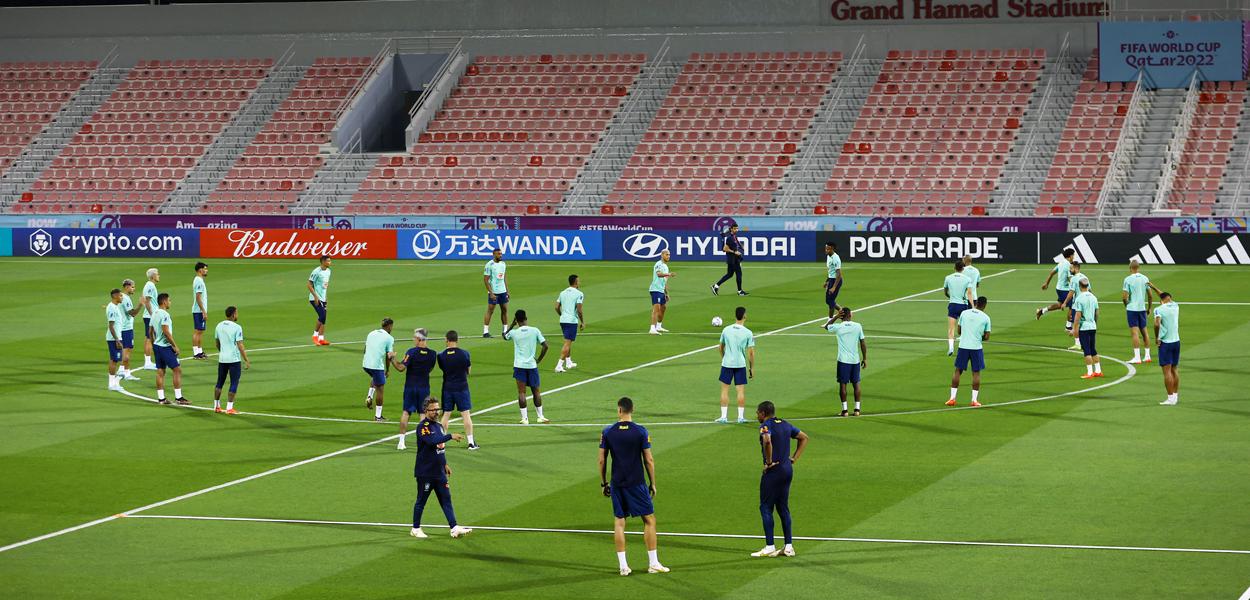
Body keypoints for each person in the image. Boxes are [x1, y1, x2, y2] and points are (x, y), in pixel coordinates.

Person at [598, 396, 668, 576]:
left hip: (617, 483)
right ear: (632, 410)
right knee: (649, 520)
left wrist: (604, 482)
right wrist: (653, 483)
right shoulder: (641, 431)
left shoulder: (608, 432)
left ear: (619, 410)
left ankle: (623, 566)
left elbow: (601, 460)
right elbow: (649, 460)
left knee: (619, 522)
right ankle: (653, 563)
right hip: (636, 483)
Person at [409, 398, 473, 540]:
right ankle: (415, 528)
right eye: (433, 410)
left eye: (438, 409)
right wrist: (450, 436)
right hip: (425, 472)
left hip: (439, 471)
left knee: (446, 499)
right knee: (421, 500)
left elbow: (440, 448)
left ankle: (454, 527)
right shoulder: (423, 427)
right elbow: (432, 442)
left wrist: (445, 464)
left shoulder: (438, 426)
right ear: (426, 410)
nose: (437, 412)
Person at [752, 401, 808, 558]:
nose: (757, 415)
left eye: (757, 412)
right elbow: (804, 438)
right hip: (787, 470)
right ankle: (788, 547)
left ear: (763, 413)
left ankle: (770, 546)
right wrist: (794, 459)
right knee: (783, 507)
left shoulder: (766, 426)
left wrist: (768, 463)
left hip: (773, 471)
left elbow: (767, 440)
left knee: (765, 507)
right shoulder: (785, 424)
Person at [394, 328, 437, 450]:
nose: (413, 339)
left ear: (419, 339)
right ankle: (422, 442)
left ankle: (401, 442)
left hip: (410, 387)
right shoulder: (433, 354)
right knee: (423, 415)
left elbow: (401, 367)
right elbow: (430, 369)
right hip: (424, 388)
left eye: (414, 337)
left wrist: (392, 359)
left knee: (406, 413)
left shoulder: (411, 352)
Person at [504, 310, 549, 424]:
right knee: (536, 392)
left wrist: (511, 326)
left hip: (519, 366)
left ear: (516, 320)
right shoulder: (535, 330)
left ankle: (524, 419)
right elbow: (545, 346)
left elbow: (504, 336)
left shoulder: (514, 332)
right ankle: (540, 416)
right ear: (526, 318)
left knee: (522, 393)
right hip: (532, 366)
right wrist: (539, 359)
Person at [437, 330, 477, 450]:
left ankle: (441, 443)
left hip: (448, 387)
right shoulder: (465, 354)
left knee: (446, 415)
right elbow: (468, 371)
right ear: (457, 340)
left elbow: (443, 369)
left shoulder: (441, 355)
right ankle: (471, 443)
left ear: (447, 340)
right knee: (466, 415)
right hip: (462, 387)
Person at [947, 296, 991, 407]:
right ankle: (974, 400)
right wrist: (979, 336)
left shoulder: (964, 313)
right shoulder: (986, 318)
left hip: (963, 346)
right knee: (976, 373)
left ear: (976, 303)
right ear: (984, 305)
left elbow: (959, 331)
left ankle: (952, 398)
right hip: (976, 348)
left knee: (958, 371)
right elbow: (987, 337)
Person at [716, 306, 755, 424]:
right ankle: (740, 417)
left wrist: (724, 358)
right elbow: (751, 352)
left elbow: (720, 347)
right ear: (745, 316)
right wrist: (752, 367)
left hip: (727, 364)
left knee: (724, 390)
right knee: (740, 391)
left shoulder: (726, 330)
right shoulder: (748, 332)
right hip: (740, 364)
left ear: (735, 316)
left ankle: (723, 417)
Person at [824, 307, 866, 416]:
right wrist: (865, 358)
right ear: (850, 315)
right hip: (855, 360)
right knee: (856, 384)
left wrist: (836, 317)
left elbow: (827, 327)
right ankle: (857, 410)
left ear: (841, 316)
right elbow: (862, 343)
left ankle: (845, 411)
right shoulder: (858, 326)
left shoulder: (838, 327)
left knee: (843, 385)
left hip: (843, 360)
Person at [149, 293, 187, 406]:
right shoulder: (165, 314)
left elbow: (150, 331)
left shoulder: (154, 313)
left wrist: (153, 343)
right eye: (169, 300)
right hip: (165, 347)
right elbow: (166, 331)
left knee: (160, 371)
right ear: (164, 302)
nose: (170, 302)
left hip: (157, 346)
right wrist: (174, 345)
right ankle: (179, 397)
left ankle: (161, 399)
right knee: (177, 370)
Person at [1122, 259, 1161, 364]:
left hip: (1132, 309)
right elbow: (1150, 295)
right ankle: (1147, 356)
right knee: (1145, 332)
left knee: (1135, 333)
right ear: (1138, 268)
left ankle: (1137, 357)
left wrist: (1127, 305)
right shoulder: (1145, 278)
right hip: (1142, 309)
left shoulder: (1128, 279)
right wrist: (1149, 308)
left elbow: (1124, 297)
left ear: (1130, 268)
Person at [213, 306, 250, 415]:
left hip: (222, 359)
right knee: (234, 382)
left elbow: (217, 343)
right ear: (233, 314)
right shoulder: (237, 327)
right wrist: (246, 360)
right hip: (234, 359)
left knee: (220, 382)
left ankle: (216, 406)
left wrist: (222, 352)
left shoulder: (219, 326)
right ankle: (229, 408)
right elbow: (240, 345)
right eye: (237, 313)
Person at [362, 318, 396, 422]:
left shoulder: (371, 333)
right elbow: (388, 356)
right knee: (380, 389)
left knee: (375, 377)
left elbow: (365, 349)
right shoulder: (389, 338)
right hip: (376, 366)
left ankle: (369, 395)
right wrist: (388, 369)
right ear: (389, 326)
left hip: (366, 364)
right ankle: (378, 416)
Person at [1070, 278, 1102, 379]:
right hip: (1093, 326)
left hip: (1084, 328)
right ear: (1088, 286)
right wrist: (1094, 323)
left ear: (1079, 286)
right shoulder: (1094, 297)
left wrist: (1074, 329)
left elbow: (1078, 316)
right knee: (1093, 349)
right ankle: (1098, 370)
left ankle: (1089, 373)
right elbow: (1097, 313)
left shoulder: (1079, 298)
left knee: (1086, 350)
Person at [1154, 292, 1181, 405]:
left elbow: (1156, 324)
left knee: (1167, 372)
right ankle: (1175, 396)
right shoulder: (1176, 306)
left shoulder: (1158, 309)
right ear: (1170, 298)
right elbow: (1163, 294)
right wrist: (1154, 287)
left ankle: (1170, 398)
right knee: (1174, 369)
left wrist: (1157, 337)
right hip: (1176, 342)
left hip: (1165, 343)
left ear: (1161, 300)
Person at [554, 274, 585, 373]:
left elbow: (556, 307)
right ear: (576, 282)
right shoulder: (579, 294)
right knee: (567, 343)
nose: (579, 282)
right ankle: (559, 365)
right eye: (578, 281)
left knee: (568, 341)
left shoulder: (563, 292)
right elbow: (579, 310)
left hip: (563, 320)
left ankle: (568, 362)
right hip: (571, 321)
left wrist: (561, 315)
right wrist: (582, 322)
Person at [943, 260, 975, 356]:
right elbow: (969, 293)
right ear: (963, 268)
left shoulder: (948, 278)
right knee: (964, 329)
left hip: (953, 305)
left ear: (954, 268)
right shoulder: (967, 279)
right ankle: (963, 348)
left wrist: (949, 296)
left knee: (951, 329)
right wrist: (973, 306)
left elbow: (945, 291)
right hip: (963, 306)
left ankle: (951, 347)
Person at [1036, 247, 1075, 323]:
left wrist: (1046, 283)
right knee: (1072, 306)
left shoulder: (1061, 263)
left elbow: (1052, 273)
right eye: (1073, 255)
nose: (1074, 257)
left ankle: (1041, 311)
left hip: (1058, 288)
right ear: (1070, 256)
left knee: (1060, 305)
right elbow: (1070, 279)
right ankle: (1069, 327)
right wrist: (1075, 287)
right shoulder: (1068, 265)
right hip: (1065, 289)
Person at [117, 278, 143, 382]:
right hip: (126, 329)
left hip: (121, 328)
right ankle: (127, 373)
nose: (134, 289)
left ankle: (121, 369)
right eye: (132, 287)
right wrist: (141, 304)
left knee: (127, 350)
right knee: (127, 352)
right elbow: (132, 313)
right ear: (127, 287)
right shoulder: (126, 298)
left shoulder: (120, 297)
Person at [711, 223, 748, 296]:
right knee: (738, 274)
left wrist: (741, 246)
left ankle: (715, 286)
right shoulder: (729, 238)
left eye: (737, 228)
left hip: (734, 259)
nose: (736, 230)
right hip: (732, 259)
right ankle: (740, 291)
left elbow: (736, 243)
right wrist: (734, 252)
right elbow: (724, 249)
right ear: (731, 229)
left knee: (729, 274)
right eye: (735, 228)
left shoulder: (734, 237)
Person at [1064, 261, 1092, 350]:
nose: (1070, 270)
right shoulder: (1085, 277)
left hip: (1077, 304)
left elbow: (1071, 292)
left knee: (1076, 324)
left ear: (1076, 268)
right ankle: (1086, 342)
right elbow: (1090, 291)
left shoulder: (1074, 279)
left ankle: (1077, 343)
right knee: (1084, 323)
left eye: (1071, 268)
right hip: (1086, 304)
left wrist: (1064, 303)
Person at [482, 248, 509, 338]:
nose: (500, 255)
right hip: (494, 292)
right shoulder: (489, 265)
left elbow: (504, 277)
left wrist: (507, 291)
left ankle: (505, 330)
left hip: (503, 291)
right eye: (498, 254)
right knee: (490, 310)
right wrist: (491, 293)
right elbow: (486, 280)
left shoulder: (503, 264)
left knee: (504, 310)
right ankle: (485, 331)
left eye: (501, 254)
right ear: (494, 254)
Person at [307, 255, 332, 346]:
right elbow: (309, 285)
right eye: (328, 261)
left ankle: (321, 339)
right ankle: (315, 335)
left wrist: (325, 298)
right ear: (323, 262)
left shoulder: (329, 271)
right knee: (322, 316)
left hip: (323, 298)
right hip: (315, 298)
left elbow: (324, 287)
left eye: (330, 261)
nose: (330, 262)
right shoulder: (316, 271)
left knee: (324, 318)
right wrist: (316, 297)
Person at [649, 249, 673, 335]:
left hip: (661, 290)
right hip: (655, 289)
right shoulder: (658, 264)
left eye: (669, 255)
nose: (668, 256)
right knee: (656, 308)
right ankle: (652, 328)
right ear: (662, 255)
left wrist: (666, 293)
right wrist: (669, 274)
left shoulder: (666, 267)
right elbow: (659, 274)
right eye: (667, 254)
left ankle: (659, 326)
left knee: (663, 308)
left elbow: (664, 281)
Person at [105, 288, 126, 392]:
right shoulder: (112, 308)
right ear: (115, 296)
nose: (122, 297)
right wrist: (117, 340)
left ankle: (112, 383)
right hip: (114, 339)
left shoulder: (114, 307)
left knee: (115, 360)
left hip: (116, 337)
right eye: (121, 296)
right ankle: (111, 384)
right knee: (114, 360)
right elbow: (111, 326)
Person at [140, 268, 160, 370]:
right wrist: (152, 315)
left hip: (151, 315)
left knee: (153, 338)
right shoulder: (150, 285)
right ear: (153, 276)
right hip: (150, 316)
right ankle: (147, 362)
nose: (159, 276)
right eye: (157, 274)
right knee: (149, 338)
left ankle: (154, 360)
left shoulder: (151, 285)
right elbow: (147, 301)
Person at [190, 262, 209, 360]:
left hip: (199, 310)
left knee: (200, 331)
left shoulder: (199, 280)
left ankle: (200, 351)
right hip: (198, 311)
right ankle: (196, 352)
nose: (206, 270)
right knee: (198, 331)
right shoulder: (199, 281)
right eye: (205, 269)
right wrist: (203, 311)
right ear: (200, 270)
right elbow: (198, 298)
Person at [824, 241, 843, 318]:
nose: (826, 250)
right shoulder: (829, 256)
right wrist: (827, 281)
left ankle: (843, 311)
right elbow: (831, 271)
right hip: (831, 280)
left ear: (832, 249)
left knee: (829, 301)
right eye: (826, 248)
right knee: (830, 301)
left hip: (836, 281)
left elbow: (838, 274)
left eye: (828, 249)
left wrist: (834, 287)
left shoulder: (836, 259)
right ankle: (830, 320)